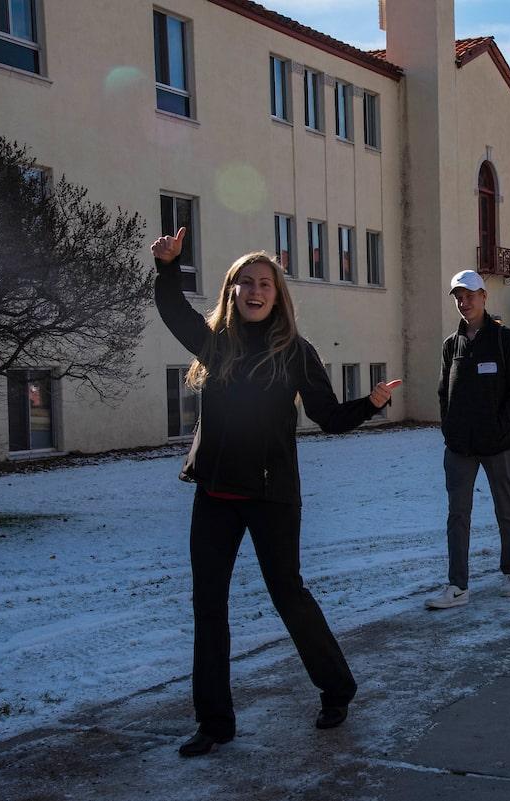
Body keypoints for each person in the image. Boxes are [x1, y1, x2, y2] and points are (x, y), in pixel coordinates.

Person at [151, 228, 400, 757]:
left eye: (265, 283)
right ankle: (214, 722)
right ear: (232, 292)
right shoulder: (217, 343)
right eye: (246, 283)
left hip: (271, 496)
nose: (255, 291)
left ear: (278, 294)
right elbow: (173, 311)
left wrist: (370, 403)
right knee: (209, 607)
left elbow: (328, 417)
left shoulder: (296, 351)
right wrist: (169, 266)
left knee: (288, 594)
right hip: (215, 495)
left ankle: (337, 688)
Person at [427, 270, 510, 610]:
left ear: (484, 296)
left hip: (499, 443)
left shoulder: (505, 340)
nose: (463, 301)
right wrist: (449, 429)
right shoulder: (450, 345)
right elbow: (444, 392)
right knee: (458, 514)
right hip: (460, 447)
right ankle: (457, 585)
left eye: (470, 294)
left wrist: (500, 426)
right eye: (458, 295)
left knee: (505, 507)